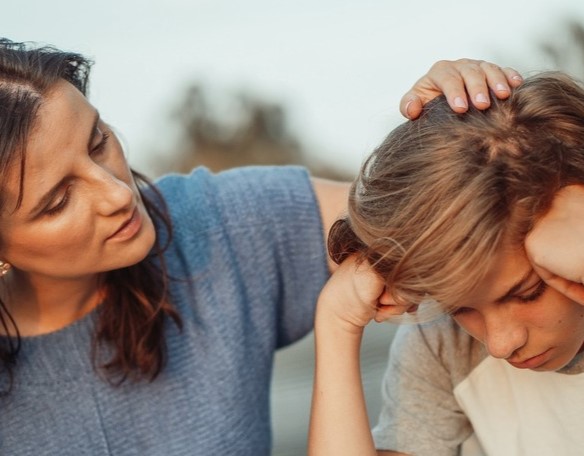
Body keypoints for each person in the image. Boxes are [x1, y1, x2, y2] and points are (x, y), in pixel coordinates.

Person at [0, 38, 520, 455]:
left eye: (98, 142)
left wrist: (458, 130)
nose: (118, 193)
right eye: (58, 201)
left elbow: (438, 210)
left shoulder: (217, 224)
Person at [309, 71, 584, 456]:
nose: (501, 344)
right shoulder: (443, 343)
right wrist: (336, 323)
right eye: (460, 308)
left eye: (528, 293)